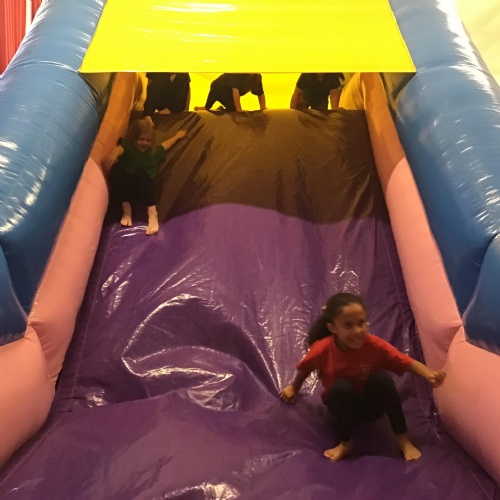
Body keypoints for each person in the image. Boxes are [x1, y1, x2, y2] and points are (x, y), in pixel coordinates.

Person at [280, 292, 446, 462]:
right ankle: (345, 443)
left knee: (382, 379)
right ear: (333, 328)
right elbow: (305, 368)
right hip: (342, 409)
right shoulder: (323, 349)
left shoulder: (373, 345)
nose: (357, 331)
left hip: (370, 408)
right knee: (341, 387)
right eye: (348, 325)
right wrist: (294, 387)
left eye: (361, 323)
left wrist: (428, 374)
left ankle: (403, 440)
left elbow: (405, 361)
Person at [102, 119, 187, 235]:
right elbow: (119, 149)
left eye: (148, 140)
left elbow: (165, 145)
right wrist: (113, 154)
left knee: (140, 174)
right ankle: (126, 209)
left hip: (144, 188)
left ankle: (152, 213)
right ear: (133, 139)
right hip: (126, 188)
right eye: (141, 139)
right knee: (117, 168)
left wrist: (177, 136)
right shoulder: (129, 148)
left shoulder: (154, 152)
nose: (145, 143)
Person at [194, 73, 266, 112]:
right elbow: (235, 90)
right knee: (208, 107)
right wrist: (239, 109)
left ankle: (219, 110)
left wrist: (263, 109)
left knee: (231, 109)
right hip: (218, 88)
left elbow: (260, 93)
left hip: (226, 91)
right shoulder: (239, 74)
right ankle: (203, 108)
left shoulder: (257, 77)